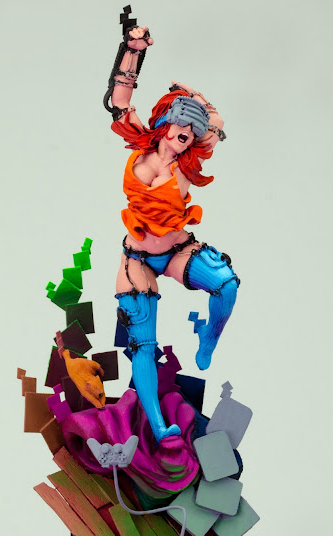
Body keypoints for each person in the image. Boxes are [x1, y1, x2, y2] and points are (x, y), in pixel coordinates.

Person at [104, 23, 238, 443]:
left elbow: (218, 123)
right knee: (143, 347)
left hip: (177, 251)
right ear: (165, 123)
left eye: (190, 134)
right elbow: (119, 102)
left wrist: (196, 96)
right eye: (180, 129)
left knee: (227, 284)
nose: (185, 138)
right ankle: (159, 427)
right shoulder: (142, 146)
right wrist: (132, 49)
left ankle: (208, 339)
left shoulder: (189, 160)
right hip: (138, 261)